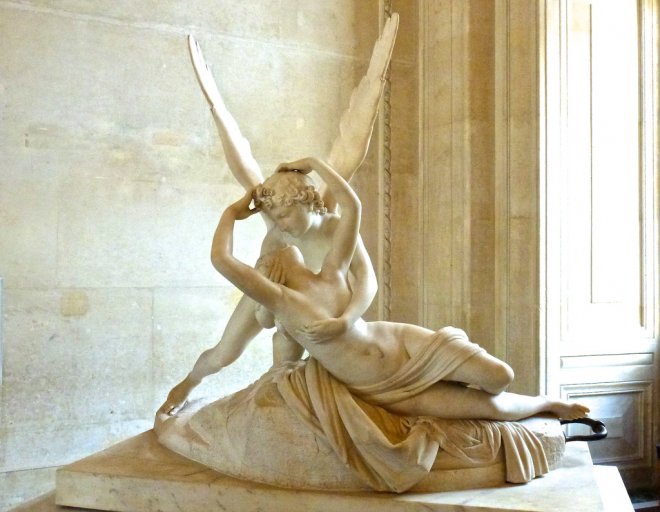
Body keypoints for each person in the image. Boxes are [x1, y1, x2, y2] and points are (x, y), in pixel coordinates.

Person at [209, 156, 590, 422]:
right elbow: (222, 260)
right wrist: (229, 214)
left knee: (499, 377)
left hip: (401, 342)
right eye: (276, 246)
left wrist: (312, 162)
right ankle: (545, 404)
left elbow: (353, 207)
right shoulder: (283, 301)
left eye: (284, 219)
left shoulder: (331, 271)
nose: (282, 236)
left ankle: (458, 377)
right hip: (381, 384)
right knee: (492, 409)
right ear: (274, 274)